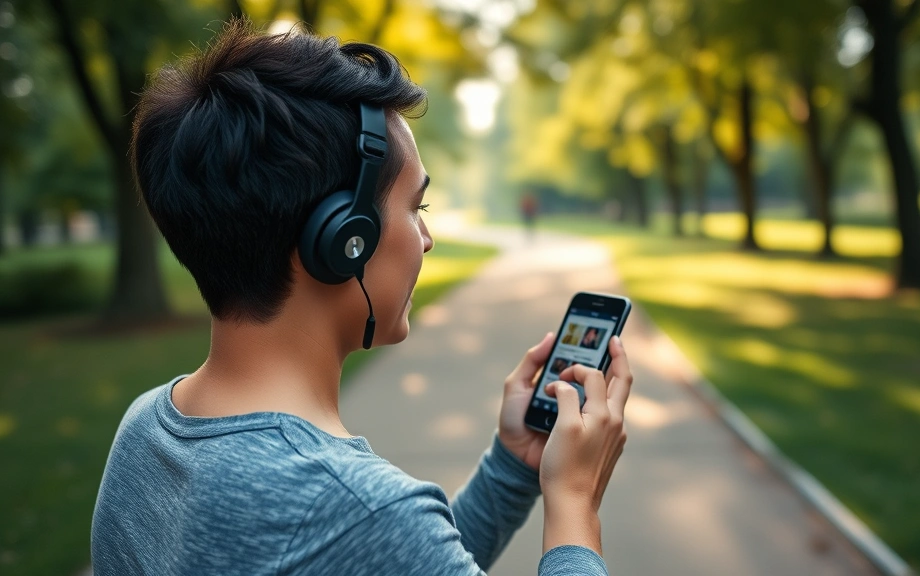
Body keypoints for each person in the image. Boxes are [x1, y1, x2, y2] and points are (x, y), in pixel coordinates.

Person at [90, 19, 632, 576]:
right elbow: (377, 537)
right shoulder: (356, 504)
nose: (427, 238)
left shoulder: (145, 433)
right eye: (416, 207)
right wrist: (573, 503)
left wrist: (513, 467)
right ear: (342, 239)